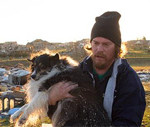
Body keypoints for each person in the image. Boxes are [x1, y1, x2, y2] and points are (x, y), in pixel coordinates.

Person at [48, 11, 146, 126]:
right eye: (96, 43)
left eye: (106, 44)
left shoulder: (128, 80)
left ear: (117, 48)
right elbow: (60, 117)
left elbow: (128, 123)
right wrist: (51, 100)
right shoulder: (76, 74)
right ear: (90, 44)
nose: (99, 49)